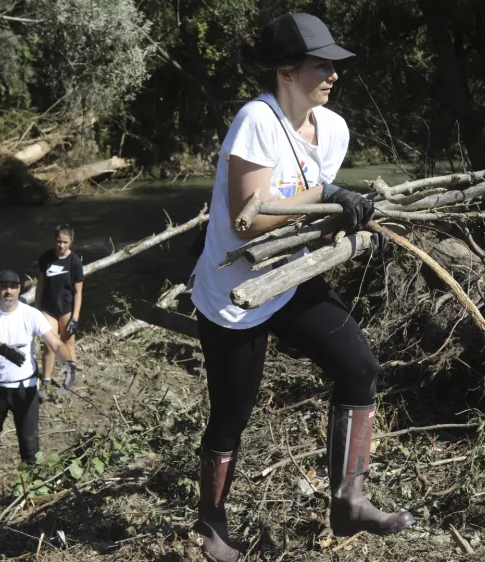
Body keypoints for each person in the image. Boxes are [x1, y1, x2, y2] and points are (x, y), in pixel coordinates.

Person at [188, 12, 411, 561]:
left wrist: (353, 222)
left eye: (335, 65)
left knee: (359, 365)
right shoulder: (256, 121)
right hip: (235, 292)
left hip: (290, 276)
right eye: (321, 65)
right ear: (286, 72)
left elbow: (310, 215)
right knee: (233, 412)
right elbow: (248, 220)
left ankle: (349, 498)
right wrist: (329, 196)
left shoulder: (332, 128)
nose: (333, 74)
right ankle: (211, 522)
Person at [0, 269, 77, 497]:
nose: (8, 291)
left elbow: (55, 343)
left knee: (29, 441)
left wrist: (69, 363)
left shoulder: (31, 314)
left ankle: (30, 484)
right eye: (3, 286)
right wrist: (4, 349)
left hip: (25, 389)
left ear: (19, 288)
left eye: (13, 286)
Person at [34, 224, 84, 392]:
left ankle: (69, 380)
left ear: (71, 241)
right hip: (48, 308)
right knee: (49, 345)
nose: (61, 246)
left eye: (65, 242)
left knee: (68, 343)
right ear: (54, 240)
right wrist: (37, 307)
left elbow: (78, 292)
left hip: (67, 309)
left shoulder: (74, 262)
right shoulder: (45, 258)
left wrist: (75, 317)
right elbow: (40, 285)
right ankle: (46, 381)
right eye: (58, 241)